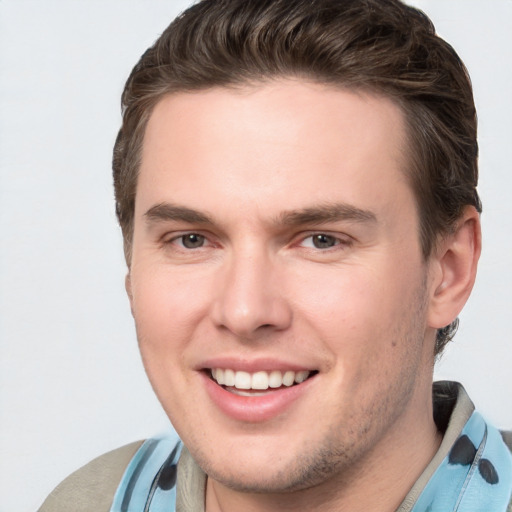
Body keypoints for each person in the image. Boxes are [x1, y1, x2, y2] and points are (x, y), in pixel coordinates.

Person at [39, 0, 512, 510]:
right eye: (191, 240)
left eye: (321, 240)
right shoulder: (88, 500)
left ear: (448, 271)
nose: (244, 312)